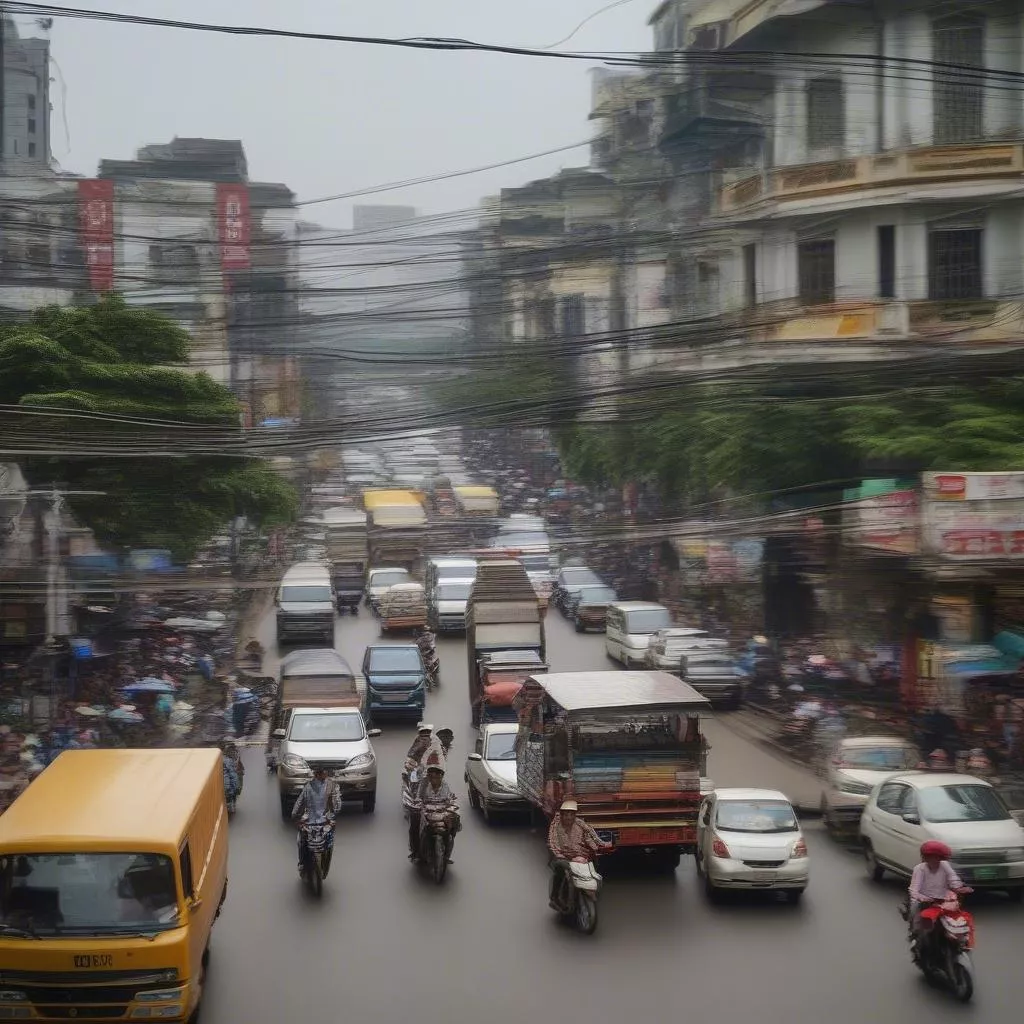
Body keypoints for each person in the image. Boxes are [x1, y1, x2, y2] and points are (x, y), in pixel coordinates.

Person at [907, 840, 971, 956]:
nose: (933, 860)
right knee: (917, 921)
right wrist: (923, 898)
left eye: (937, 857)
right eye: (930, 857)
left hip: (943, 902)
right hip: (924, 902)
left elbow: (953, 879)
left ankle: (961, 942)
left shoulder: (945, 866)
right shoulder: (919, 869)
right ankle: (915, 941)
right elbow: (914, 889)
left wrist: (959, 887)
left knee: (959, 921)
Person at [547, 799, 612, 910]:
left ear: (575, 815)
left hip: (579, 856)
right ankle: (555, 898)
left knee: (594, 866)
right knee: (560, 871)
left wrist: (601, 845)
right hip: (560, 856)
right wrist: (558, 853)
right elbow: (552, 840)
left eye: (571, 814)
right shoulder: (556, 824)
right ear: (562, 814)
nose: (568, 817)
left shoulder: (580, 824)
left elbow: (591, 836)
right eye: (566, 814)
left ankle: (590, 889)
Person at [291, 766, 341, 872]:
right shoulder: (327, 786)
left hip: (320, 821)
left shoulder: (325, 786)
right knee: (303, 840)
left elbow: (336, 805)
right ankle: (303, 863)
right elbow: (300, 802)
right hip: (316, 822)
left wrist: (295, 816)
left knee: (305, 841)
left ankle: (306, 862)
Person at [411, 763, 460, 863]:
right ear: (428, 776)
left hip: (441, 815)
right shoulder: (424, 785)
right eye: (432, 776)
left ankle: (446, 853)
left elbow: (451, 800)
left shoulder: (445, 786)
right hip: (427, 813)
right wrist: (419, 807)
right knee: (414, 820)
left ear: (441, 776)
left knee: (455, 820)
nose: (435, 779)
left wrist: (451, 810)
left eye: (438, 776)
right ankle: (416, 852)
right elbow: (418, 799)